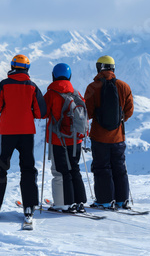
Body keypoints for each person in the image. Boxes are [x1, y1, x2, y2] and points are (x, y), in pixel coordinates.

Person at [0, 54, 46, 223]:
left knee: (1, 167)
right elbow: (41, 112)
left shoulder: (3, 85)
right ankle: (29, 206)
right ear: (27, 68)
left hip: (7, 132)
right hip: (27, 133)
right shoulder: (33, 87)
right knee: (27, 168)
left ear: (12, 66)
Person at [84, 55, 134, 209]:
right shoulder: (124, 86)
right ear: (113, 68)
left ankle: (105, 201)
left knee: (102, 168)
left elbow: (88, 113)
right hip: (118, 137)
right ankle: (122, 200)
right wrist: (118, 122)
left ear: (99, 68)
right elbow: (129, 111)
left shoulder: (93, 87)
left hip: (99, 137)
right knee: (119, 168)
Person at [43, 63, 87, 213]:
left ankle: (63, 204)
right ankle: (79, 202)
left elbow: (42, 113)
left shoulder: (51, 93)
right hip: (76, 139)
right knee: (74, 168)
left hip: (58, 138)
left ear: (54, 75)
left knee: (60, 171)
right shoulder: (76, 93)